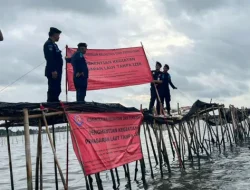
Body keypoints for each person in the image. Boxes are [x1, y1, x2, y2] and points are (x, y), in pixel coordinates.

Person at [43, 27, 63, 102]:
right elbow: (50, 58)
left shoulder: (54, 45)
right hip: (53, 71)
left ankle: (55, 102)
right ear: (54, 35)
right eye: (58, 35)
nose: (59, 37)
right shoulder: (49, 44)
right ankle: (51, 104)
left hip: (58, 70)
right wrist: (53, 70)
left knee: (57, 88)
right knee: (53, 89)